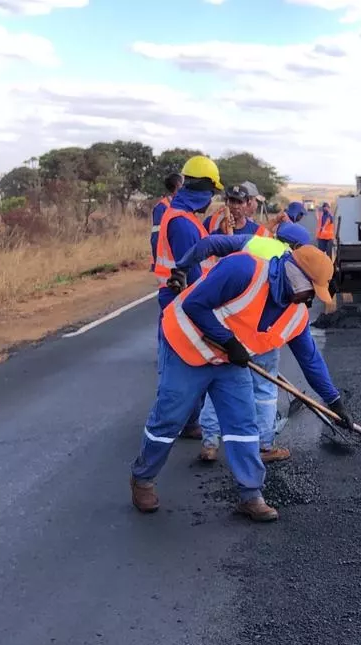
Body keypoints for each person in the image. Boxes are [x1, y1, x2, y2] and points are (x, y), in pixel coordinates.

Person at [131, 243, 352, 522]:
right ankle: (143, 479)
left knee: (243, 424)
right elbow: (193, 304)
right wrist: (226, 340)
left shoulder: (294, 313)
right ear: (296, 276)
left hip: (227, 362)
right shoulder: (244, 270)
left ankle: (251, 495)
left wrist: (334, 401)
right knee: (170, 418)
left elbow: (310, 360)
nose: (310, 300)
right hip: (184, 347)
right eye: (311, 291)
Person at [170, 222, 315, 463]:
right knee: (264, 388)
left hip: (226, 324)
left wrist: (182, 268)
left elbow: (209, 244)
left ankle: (210, 443)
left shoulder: (257, 243)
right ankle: (265, 445)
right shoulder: (296, 266)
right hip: (262, 332)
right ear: (299, 247)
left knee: (217, 382)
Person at [151, 155, 223, 440]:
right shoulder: (181, 222)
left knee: (194, 363)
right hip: (182, 301)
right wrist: (209, 305)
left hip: (185, 300)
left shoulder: (186, 217)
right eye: (211, 194)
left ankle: (190, 421)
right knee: (181, 368)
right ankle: (168, 424)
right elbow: (189, 269)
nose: (211, 201)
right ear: (203, 191)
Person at [149, 172, 183, 271]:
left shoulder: (181, 207)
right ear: (178, 186)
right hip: (168, 265)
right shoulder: (161, 208)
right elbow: (156, 237)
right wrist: (156, 262)